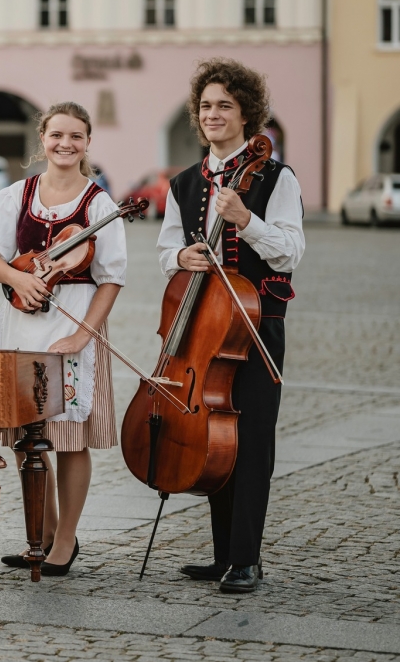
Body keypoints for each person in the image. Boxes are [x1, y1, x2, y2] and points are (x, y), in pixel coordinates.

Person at [160, 58, 303, 594]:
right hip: (201, 325)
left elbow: (291, 251)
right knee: (210, 434)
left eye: (225, 105)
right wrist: (182, 257)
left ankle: (247, 557)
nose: (213, 114)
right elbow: (163, 250)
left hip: (255, 325)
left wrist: (248, 220)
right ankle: (223, 555)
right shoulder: (183, 181)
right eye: (206, 106)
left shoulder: (274, 176)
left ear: (247, 114)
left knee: (252, 441)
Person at [0, 101, 127, 576]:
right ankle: (39, 533)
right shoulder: (15, 195)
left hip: (72, 323)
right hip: (21, 322)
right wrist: (18, 280)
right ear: (42, 138)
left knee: (69, 439)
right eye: (57, 135)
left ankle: (64, 542)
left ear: (87, 143)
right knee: (26, 438)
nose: (65, 144)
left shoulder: (99, 204)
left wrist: (84, 335)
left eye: (76, 136)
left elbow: (111, 278)